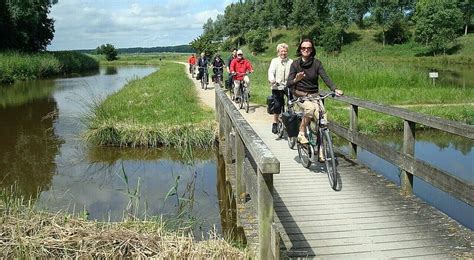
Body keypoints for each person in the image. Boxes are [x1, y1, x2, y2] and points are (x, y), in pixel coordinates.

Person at [286, 38, 343, 146]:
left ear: (312, 50)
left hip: (314, 95)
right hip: (300, 95)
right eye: (303, 48)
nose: (306, 50)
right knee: (310, 109)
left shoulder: (317, 63)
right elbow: (289, 83)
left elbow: (325, 77)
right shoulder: (295, 64)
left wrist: (334, 89)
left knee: (322, 119)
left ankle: (322, 151)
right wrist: (296, 80)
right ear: (300, 49)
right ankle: (301, 133)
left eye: (308, 48)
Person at [268, 43, 293, 134]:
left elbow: (293, 72)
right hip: (277, 86)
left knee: (292, 103)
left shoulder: (291, 61)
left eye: (285, 51)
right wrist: (272, 79)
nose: (283, 53)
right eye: (281, 51)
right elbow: (271, 71)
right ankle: (275, 122)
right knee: (278, 105)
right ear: (278, 52)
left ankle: (291, 120)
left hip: (288, 86)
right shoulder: (274, 61)